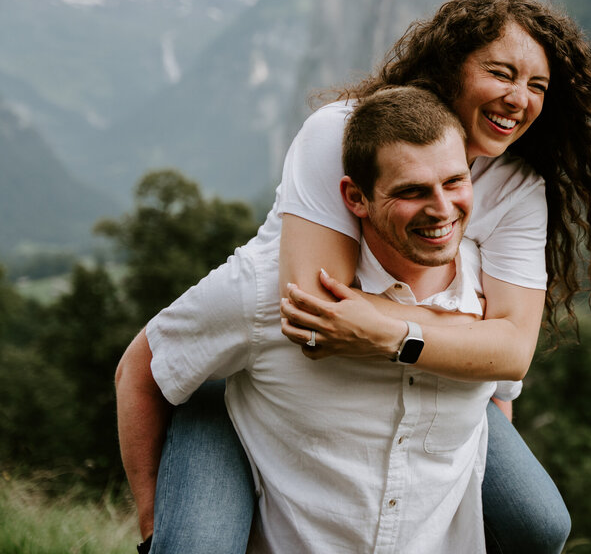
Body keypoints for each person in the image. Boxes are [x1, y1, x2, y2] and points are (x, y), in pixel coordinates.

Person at [119, 0, 591, 553]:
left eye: (537, 86)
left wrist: (412, 339)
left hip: (435, 372)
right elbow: (321, 318)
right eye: (502, 73)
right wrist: (469, 330)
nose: (518, 98)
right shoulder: (343, 132)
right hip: (283, 361)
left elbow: (509, 353)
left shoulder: (518, 186)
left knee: (540, 524)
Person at [117, 86, 501, 552]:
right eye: (412, 191)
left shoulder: (490, 289)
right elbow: (141, 370)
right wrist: (155, 529)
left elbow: (498, 401)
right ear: (355, 197)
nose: (442, 209)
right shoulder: (270, 289)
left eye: (454, 182)